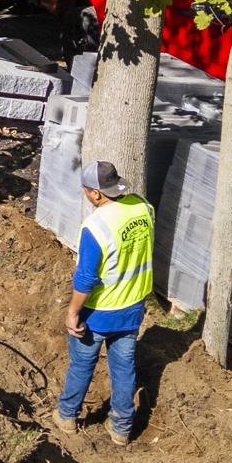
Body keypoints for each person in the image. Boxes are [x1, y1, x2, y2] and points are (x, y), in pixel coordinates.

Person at [55, 159, 155, 445]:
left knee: (82, 364)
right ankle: (121, 428)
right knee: (124, 367)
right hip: (133, 306)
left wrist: (73, 312)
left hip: (99, 312)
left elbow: (86, 278)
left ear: (96, 194)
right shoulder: (143, 207)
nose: (86, 195)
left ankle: (67, 416)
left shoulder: (96, 226)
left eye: (87, 190)